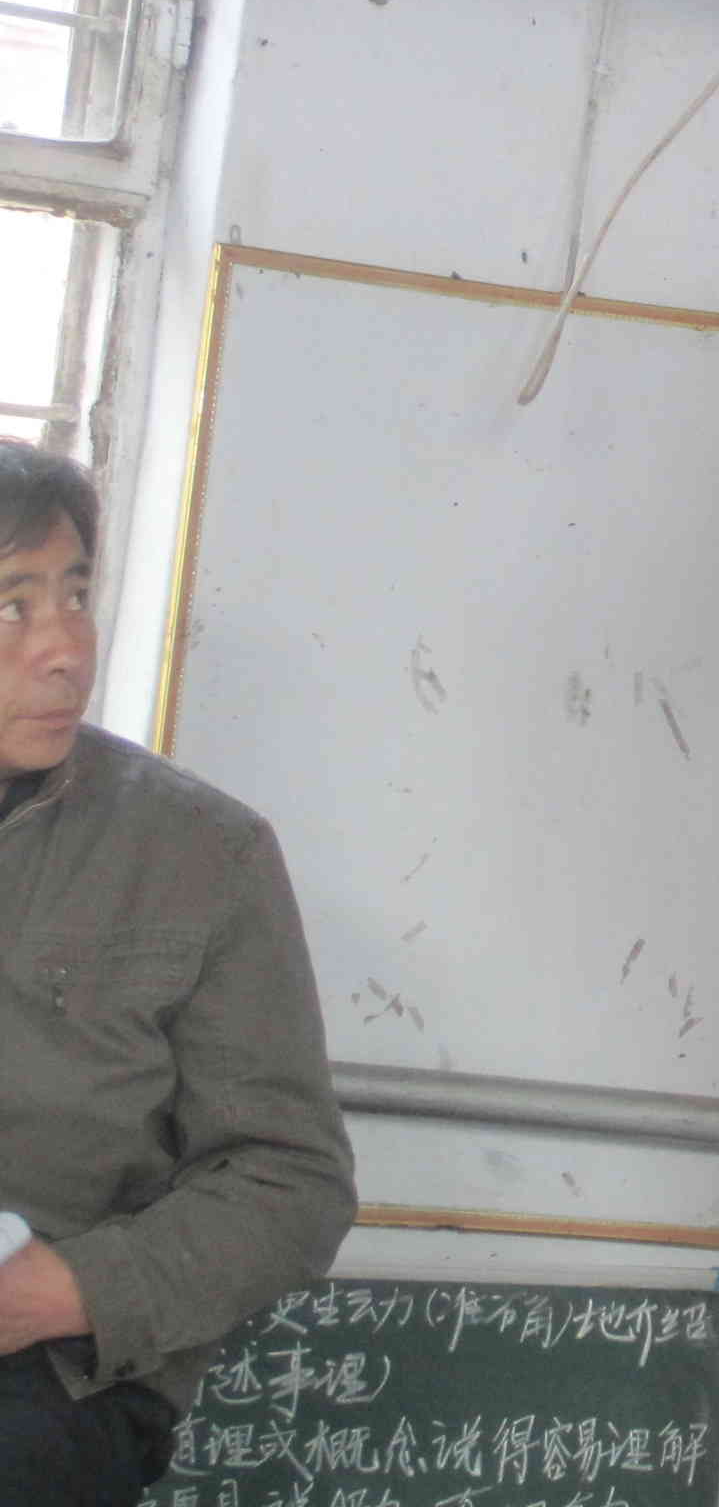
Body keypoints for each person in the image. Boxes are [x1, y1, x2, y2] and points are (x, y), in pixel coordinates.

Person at [0, 445, 357, 1503]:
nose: (66, 650)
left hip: (51, 1378)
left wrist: (66, 1291)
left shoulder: (203, 853)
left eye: (76, 596)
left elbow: (292, 1181)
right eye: (13, 606)